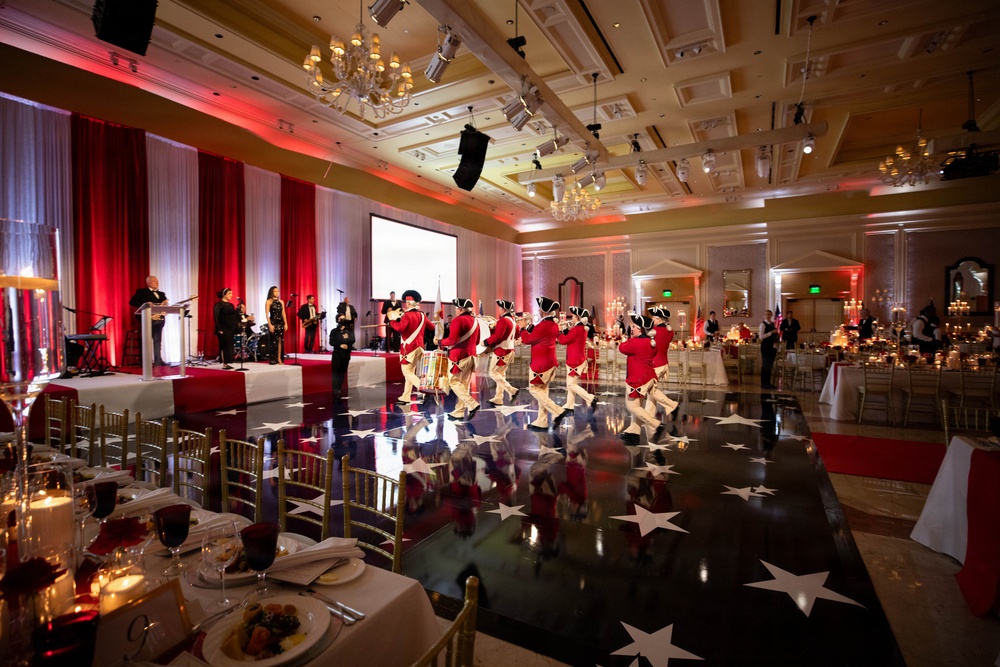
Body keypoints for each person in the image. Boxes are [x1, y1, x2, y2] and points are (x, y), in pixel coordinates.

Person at [520, 296, 570, 431]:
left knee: (534, 389)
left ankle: (557, 410)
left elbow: (527, 340)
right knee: (543, 391)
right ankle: (541, 422)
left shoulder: (543, 326)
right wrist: (529, 327)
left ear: (544, 311)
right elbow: (538, 336)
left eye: (540, 309)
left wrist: (522, 329)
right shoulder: (553, 324)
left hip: (540, 365)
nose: (539, 311)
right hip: (550, 362)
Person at [618, 315, 663, 443]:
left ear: (640, 329)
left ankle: (655, 424)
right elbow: (654, 352)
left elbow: (621, 347)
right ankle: (634, 431)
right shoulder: (651, 342)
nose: (632, 328)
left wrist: (629, 338)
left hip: (637, 380)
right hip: (648, 377)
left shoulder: (635, 342)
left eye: (634, 327)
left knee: (632, 406)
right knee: (638, 406)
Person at [436, 298, 481, 421]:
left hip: (458, 357)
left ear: (460, 309)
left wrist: (440, 342)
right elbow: (477, 341)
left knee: (454, 382)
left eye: (456, 308)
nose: (455, 310)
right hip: (471, 356)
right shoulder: (476, 321)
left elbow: (453, 340)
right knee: (464, 385)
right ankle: (460, 411)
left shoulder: (458, 320)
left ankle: (472, 404)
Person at [389, 290, 433, 404]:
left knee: (407, 372)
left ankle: (425, 391)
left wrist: (392, 320)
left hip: (409, 348)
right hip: (420, 346)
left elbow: (399, 328)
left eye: (406, 302)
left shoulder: (407, 315)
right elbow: (432, 327)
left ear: (409, 303)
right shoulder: (422, 315)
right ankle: (405, 396)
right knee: (411, 372)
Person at [557, 306, 596, 413]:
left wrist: (559, 332)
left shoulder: (576, 329)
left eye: (574, 316)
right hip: (578, 358)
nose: (572, 318)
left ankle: (590, 397)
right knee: (570, 382)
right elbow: (570, 338)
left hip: (574, 361)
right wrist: (565, 329)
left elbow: (563, 341)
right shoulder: (580, 328)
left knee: (571, 384)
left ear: (578, 318)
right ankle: (570, 405)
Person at [483, 299, 520, 406]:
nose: (499, 310)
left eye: (500, 308)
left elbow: (498, 336)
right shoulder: (514, 321)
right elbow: (517, 336)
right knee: (501, 374)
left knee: (493, 373)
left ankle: (511, 390)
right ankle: (499, 397)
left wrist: (485, 342)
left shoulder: (503, 321)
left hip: (501, 351)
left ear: (503, 309)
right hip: (510, 350)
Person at [645, 307, 679, 420]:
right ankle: (649, 416)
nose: (652, 320)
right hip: (664, 362)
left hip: (655, 364)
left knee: (650, 389)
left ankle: (671, 405)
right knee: (652, 390)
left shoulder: (653, 331)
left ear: (659, 319)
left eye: (653, 318)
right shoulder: (669, 331)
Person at [129, 275, 169, 366]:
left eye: (158, 281)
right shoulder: (142, 292)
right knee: (146, 341)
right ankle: (146, 361)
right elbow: (132, 302)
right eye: (155, 281)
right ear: (149, 283)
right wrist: (146, 304)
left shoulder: (162, 294)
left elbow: (164, 304)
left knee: (157, 340)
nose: (157, 283)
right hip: (147, 319)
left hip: (159, 319)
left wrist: (165, 303)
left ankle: (158, 360)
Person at [329, 318, 354, 400]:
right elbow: (331, 342)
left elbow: (353, 340)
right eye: (341, 319)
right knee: (336, 371)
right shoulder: (334, 331)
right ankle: (335, 388)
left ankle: (339, 387)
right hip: (337, 353)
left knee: (343, 371)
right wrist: (340, 345)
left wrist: (348, 338)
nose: (342, 321)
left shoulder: (349, 330)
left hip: (346, 354)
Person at [213, 288, 238, 369]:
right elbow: (216, 317)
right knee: (224, 346)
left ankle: (227, 362)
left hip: (231, 328)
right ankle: (224, 363)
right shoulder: (218, 305)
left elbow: (234, 316)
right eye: (229, 293)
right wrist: (219, 329)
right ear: (224, 294)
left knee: (230, 346)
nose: (231, 295)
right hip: (223, 328)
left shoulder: (231, 305)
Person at [264, 286, 287, 365]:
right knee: (274, 341)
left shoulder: (281, 302)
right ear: (271, 292)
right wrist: (270, 325)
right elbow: (267, 315)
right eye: (275, 291)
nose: (277, 293)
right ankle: (273, 359)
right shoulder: (268, 302)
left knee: (280, 341)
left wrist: (286, 323)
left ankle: (279, 358)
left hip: (280, 322)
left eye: (278, 291)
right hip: (273, 322)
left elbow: (283, 313)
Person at [759, 309, 779, 389]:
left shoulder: (772, 324)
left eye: (769, 314)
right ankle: (764, 383)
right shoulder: (763, 324)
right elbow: (761, 337)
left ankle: (768, 382)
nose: (767, 316)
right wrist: (771, 333)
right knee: (765, 365)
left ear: (771, 316)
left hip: (772, 347)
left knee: (770, 365)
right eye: (766, 314)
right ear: (764, 315)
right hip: (765, 347)